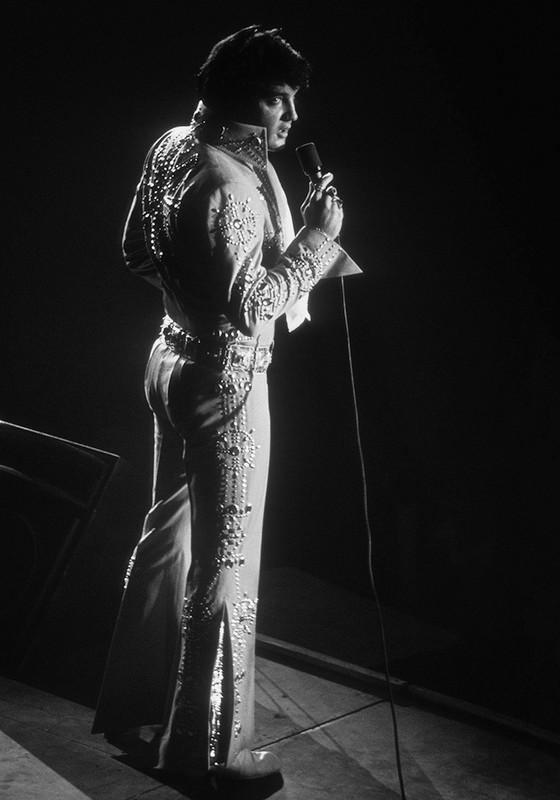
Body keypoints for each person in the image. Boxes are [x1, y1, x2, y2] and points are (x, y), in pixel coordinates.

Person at [92, 24, 361, 783]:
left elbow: (134, 251)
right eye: (280, 99)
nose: (291, 118)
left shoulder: (173, 142)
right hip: (226, 385)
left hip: (168, 361)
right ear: (244, 97)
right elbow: (255, 307)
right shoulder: (232, 183)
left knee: (167, 537)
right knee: (226, 564)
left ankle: (141, 707)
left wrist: (190, 299)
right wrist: (313, 242)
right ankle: (209, 753)